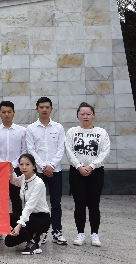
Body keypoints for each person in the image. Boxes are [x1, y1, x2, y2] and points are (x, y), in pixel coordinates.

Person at [65, 102, 110, 247]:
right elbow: (69, 151)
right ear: (78, 116)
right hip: (76, 172)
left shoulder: (101, 132)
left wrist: (91, 166)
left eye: (88, 114)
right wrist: (79, 166)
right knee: (79, 203)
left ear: (93, 115)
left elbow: (104, 152)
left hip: (96, 172)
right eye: (82, 114)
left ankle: (95, 234)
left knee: (94, 203)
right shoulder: (72, 132)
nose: (85, 116)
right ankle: (80, 233)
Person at [26, 97, 67, 245]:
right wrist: (43, 166)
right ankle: (40, 232)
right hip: (38, 172)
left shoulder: (58, 128)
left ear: (51, 109)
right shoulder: (31, 128)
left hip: (56, 171)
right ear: (37, 109)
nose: (44, 110)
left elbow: (61, 148)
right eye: (41, 107)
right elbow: (31, 149)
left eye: (47, 107)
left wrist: (51, 165)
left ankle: (57, 231)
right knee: (38, 203)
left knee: (56, 203)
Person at [0, 100, 27, 242]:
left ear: (13, 113)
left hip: (17, 169)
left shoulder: (21, 131)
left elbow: (24, 149)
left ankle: (16, 228)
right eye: (3, 112)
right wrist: (3, 164)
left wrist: (12, 164)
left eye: (9, 112)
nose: (6, 114)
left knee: (17, 199)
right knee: (0, 201)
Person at [5, 153, 52, 255]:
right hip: (29, 217)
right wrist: (11, 170)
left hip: (41, 218)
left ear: (34, 166)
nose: (24, 167)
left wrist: (18, 226)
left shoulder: (38, 183)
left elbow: (29, 207)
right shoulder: (23, 177)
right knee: (9, 241)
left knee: (10, 218)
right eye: (21, 164)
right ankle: (35, 235)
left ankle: (33, 244)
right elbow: (14, 181)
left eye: (27, 164)